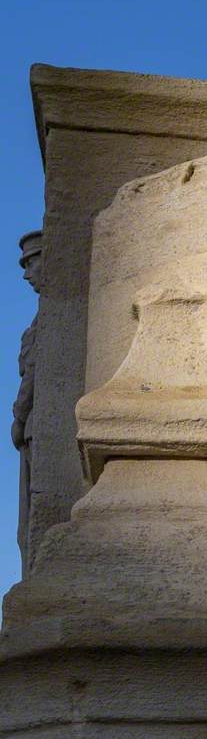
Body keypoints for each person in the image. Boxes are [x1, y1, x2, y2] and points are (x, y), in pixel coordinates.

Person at [12, 231, 42, 574]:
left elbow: (32, 375)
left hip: (36, 427)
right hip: (35, 426)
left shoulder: (43, 324)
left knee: (32, 522)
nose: (25, 273)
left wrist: (19, 420)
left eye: (31, 262)